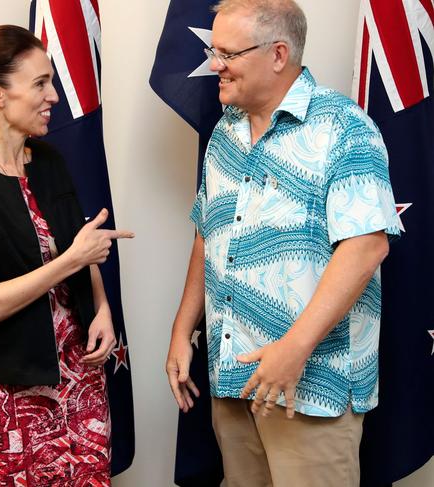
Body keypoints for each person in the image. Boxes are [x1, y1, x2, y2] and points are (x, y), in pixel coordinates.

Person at [165, 1, 400, 485]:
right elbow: (206, 232)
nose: (214, 65)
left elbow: (367, 247)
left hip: (309, 389)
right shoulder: (224, 134)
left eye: (227, 52)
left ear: (277, 54)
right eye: (214, 49)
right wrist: (182, 330)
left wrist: (293, 349)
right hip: (232, 378)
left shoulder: (344, 128)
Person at [0, 25, 133, 487]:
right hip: (7, 401)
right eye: (40, 83)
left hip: (80, 382)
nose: (54, 96)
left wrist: (101, 309)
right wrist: (71, 261)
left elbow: (80, 239)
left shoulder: (51, 161)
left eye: (51, 81)